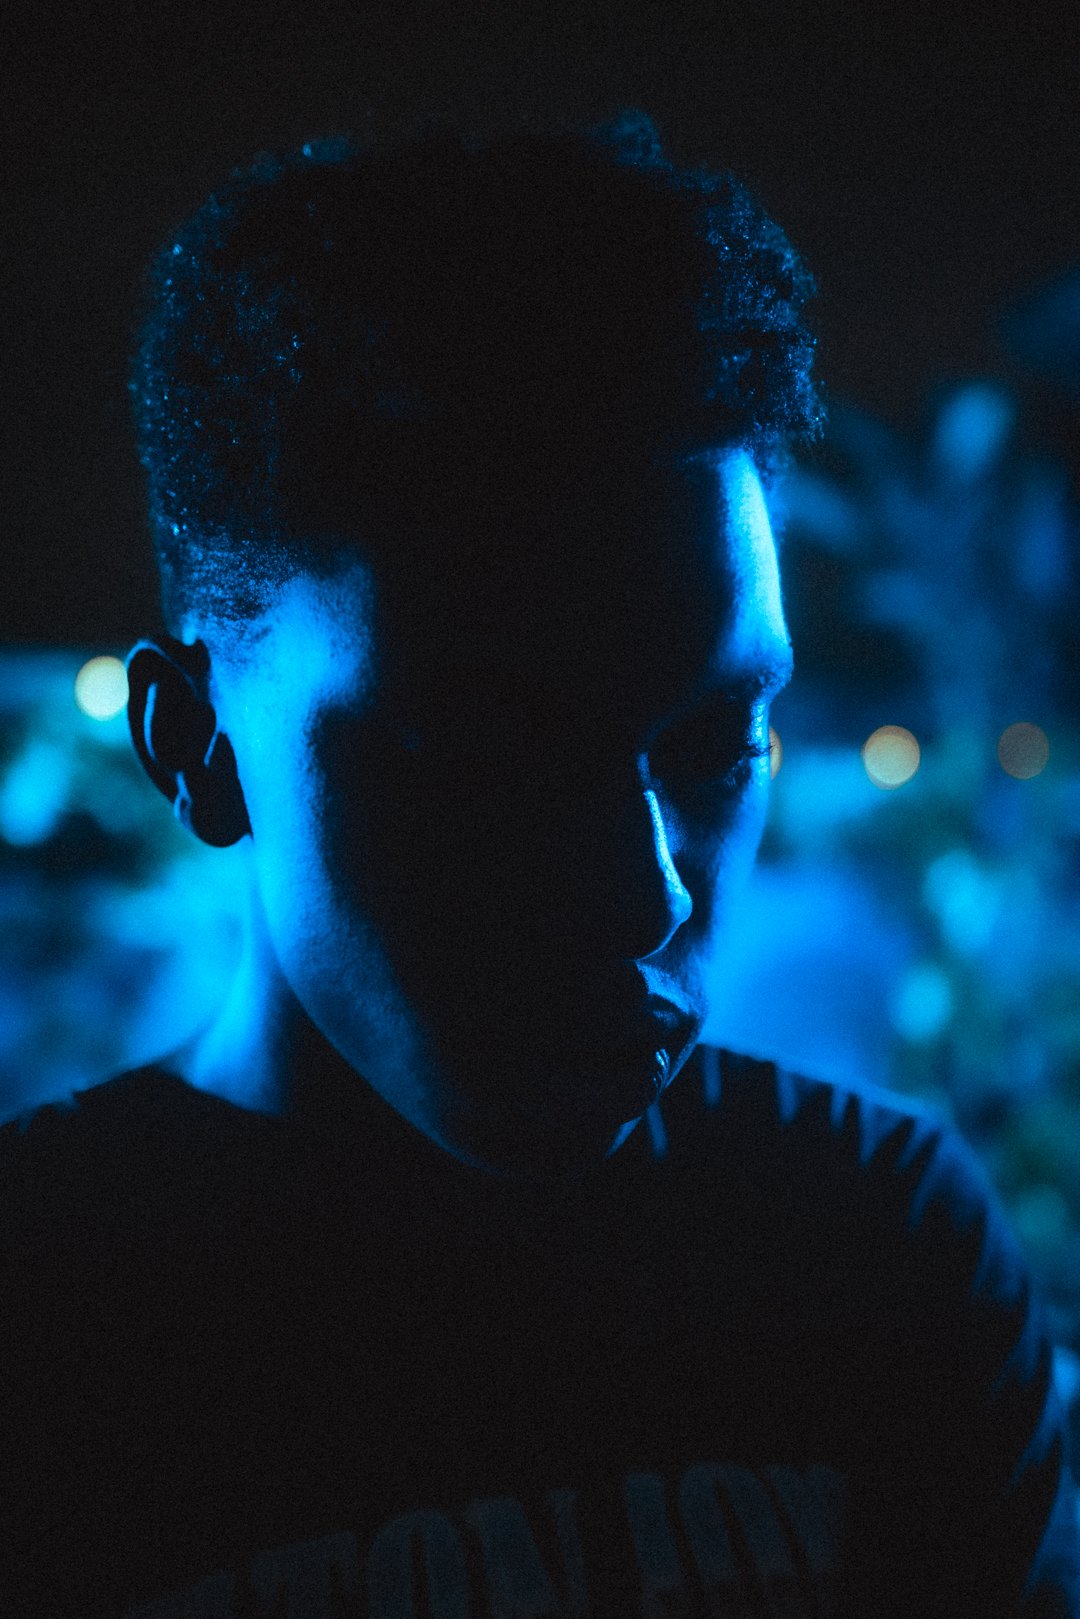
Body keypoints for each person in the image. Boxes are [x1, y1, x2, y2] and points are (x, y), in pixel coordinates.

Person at [2, 111, 1077, 1618]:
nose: (643, 895)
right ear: (198, 744)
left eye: (716, 741)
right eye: (485, 752)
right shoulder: (40, 1326)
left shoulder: (877, 1254)